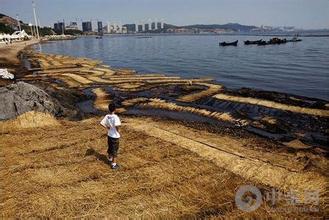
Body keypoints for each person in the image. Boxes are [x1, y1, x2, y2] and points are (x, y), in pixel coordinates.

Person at [100, 103, 121, 169]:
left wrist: (107, 127)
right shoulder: (115, 117)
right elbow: (117, 125)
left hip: (109, 135)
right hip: (115, 136)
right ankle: (114, 165)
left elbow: (101, 123)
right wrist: (118, 131)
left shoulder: (107, 116)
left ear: (109, 109)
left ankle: (109, 158)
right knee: (115, 150)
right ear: (115, 109)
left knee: (110, 147)